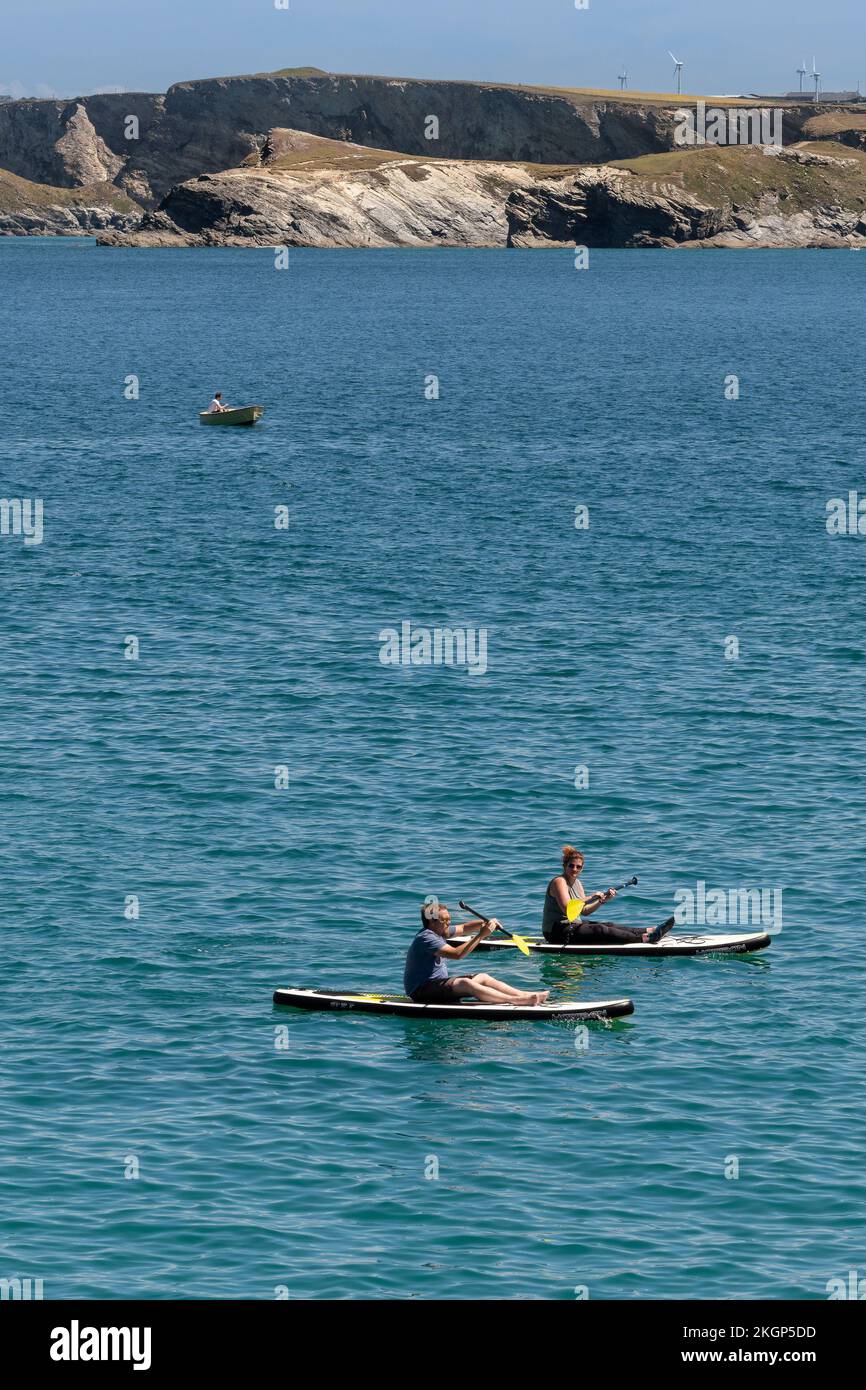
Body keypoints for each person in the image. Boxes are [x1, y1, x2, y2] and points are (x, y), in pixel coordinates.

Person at [404, 898, 549, 1006]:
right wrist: (481, 935)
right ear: (431, 922)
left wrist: (485, 923)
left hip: (437, 985)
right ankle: (515, 1000)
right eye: (445, 920)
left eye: (449, 919)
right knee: (465, 983)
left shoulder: (440, 931)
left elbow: (464, 928)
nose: (449, 923)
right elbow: (457, 954)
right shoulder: (426, 937)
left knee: (483, 977)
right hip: (421, 992)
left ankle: (525, 994)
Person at [542, 846, 674, 945]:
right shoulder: (559, 881)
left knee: (609, 925)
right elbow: (567, 908)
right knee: (600, 929)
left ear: (582, 868)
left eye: (579, 867)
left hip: (572, 926)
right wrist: (591, 896)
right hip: (556, 932)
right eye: (572, 866)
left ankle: (650, 930)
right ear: (564, 866)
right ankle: (645, 939)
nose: (575, 870)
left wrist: (601, 901)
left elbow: (584, 911)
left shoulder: (578, 883)